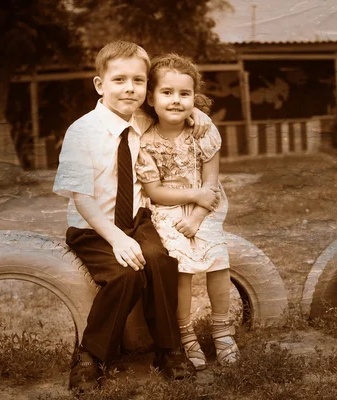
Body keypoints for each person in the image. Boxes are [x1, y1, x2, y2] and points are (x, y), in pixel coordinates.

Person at [53, 41, 218, 392]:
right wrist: (115, 238)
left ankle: (168, 349)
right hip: (94, 226)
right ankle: (90, 357)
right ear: (100, 85)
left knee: (161, 260)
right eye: (119, 80)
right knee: (125, 276)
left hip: (136, 218)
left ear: (146, 89)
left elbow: (179, 111)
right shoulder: (81, 132)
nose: (129, 88)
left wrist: (198, 114)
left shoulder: (140, 118)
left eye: (138, 81)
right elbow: (82, 199)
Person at [136, 54, 239, 371]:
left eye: (185, 93)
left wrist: (195, 216)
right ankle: (186, 335)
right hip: (167, 209)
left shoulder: (203, 132)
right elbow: (154, 191)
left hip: (204, 208)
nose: (176, 100)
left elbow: (211, 182)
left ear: (195, 98)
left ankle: (223, 331)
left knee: (218, 261)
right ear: (151, 98)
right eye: (167, 93)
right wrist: (191, 201)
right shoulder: (146, 142)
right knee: (180, 270)